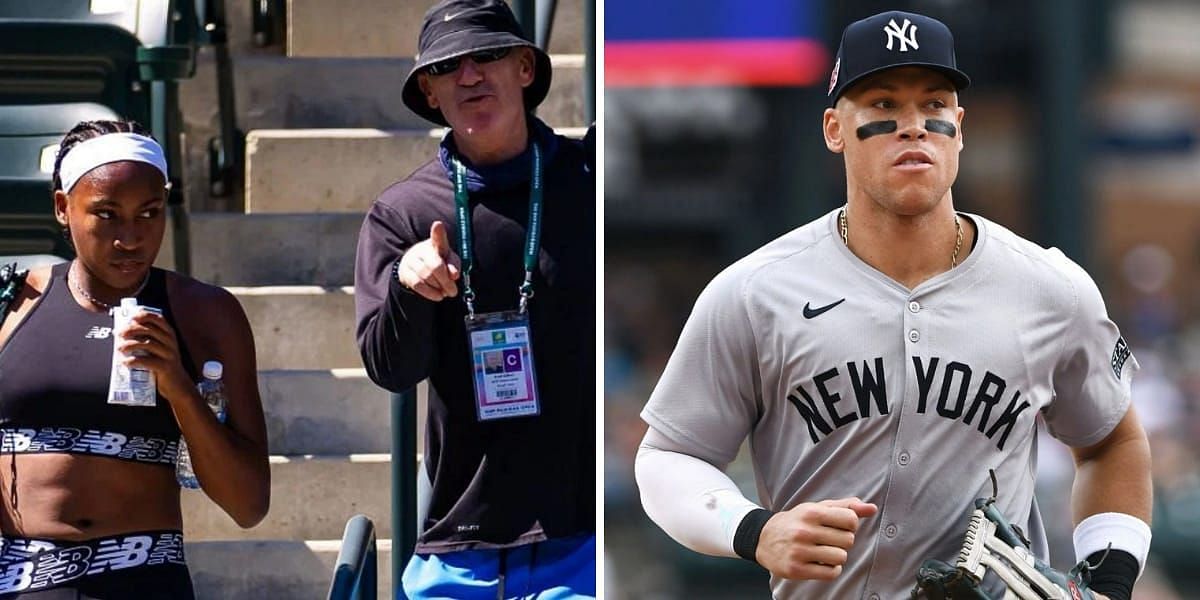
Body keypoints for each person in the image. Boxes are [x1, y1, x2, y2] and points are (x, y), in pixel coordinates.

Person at [634, 10, 1152, 600]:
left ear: (960, 125)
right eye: (883, 105)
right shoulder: (754, 291)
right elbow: (668, 457)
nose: (914, 126)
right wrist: (753, 530)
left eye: (934, 106)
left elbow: (1113, 441)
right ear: (834, 129)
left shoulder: (1051, 288)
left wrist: (1110, 582)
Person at [353, 0, 595, 598]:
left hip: (588, 531)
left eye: (487, 56)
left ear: (525, 70)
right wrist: (409, 288)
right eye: (448, 66)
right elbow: (390, 370)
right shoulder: (403, 212)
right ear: (430, 93)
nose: (469, 75)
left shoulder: (592, 178)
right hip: (462, 535)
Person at [0, 120, 270, 598]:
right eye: (107, 214)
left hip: (143, 580)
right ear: (64, 208)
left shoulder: (205, 313)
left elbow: (249, 504)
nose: (131, 238)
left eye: (149, 213)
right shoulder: (13, 301)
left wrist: (179, 387)